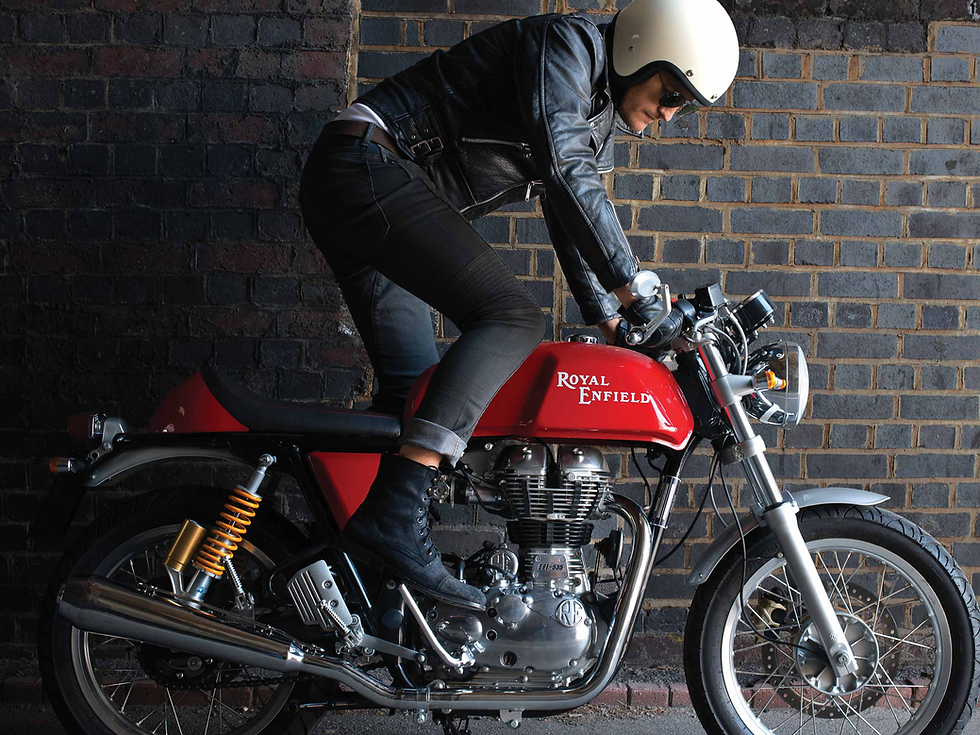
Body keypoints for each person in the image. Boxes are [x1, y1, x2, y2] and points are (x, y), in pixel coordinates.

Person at [298, 0, 739, 609]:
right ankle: (393, 523)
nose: (669, 113)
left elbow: (571, 210)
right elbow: (564, 170)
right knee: (515, 318)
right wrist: (635, 290)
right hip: (368, 166)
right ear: (641, 50)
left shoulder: (600, 111)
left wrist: (613, 320)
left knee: (413, 400)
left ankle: (353, 597)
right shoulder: (567, 46)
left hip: (371, 189)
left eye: (683, 105)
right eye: (672, 93)